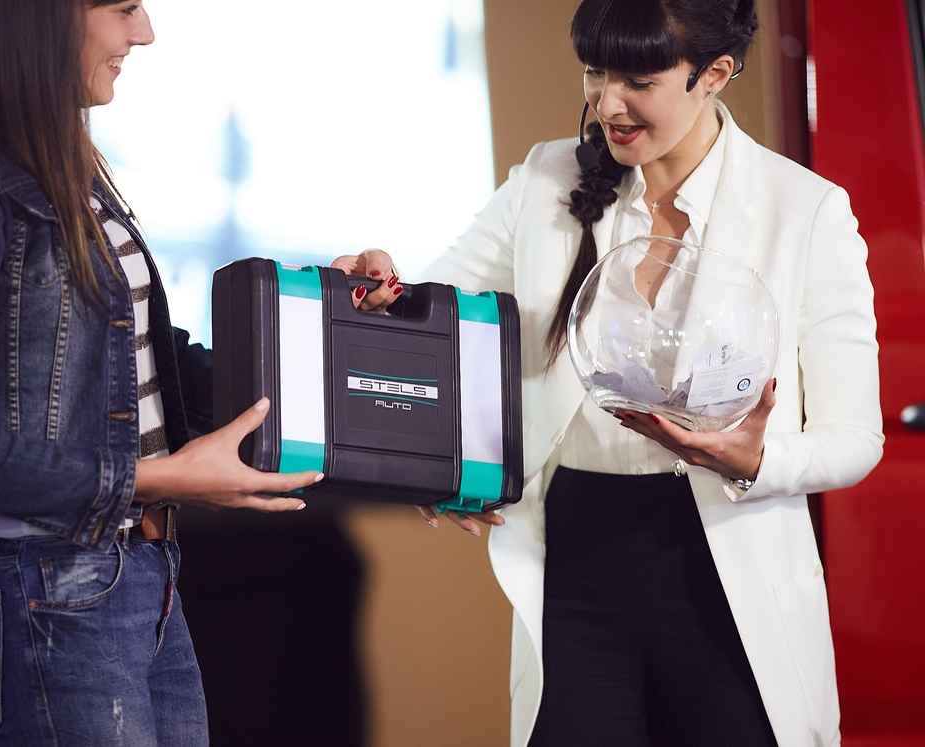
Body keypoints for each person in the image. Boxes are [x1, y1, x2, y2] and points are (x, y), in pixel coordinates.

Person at [335, 0, 882, 744]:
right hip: (578, 560)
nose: (607, 103)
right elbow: (432, 317)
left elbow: (856, 438)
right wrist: (378, 291)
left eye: (638, 81)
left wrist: (755, 459)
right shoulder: (545, 178)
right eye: (595, 72)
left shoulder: (805, 211)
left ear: (714, 74)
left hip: (727, 568)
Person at [0, 2, 323, 745]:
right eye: (124, 7)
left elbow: (145, 362)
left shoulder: (65, 160)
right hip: (41, 587)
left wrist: (329, 318)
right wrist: (158, 479)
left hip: (141, 575)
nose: (145, 32)